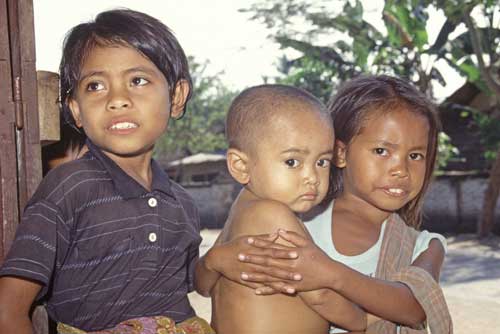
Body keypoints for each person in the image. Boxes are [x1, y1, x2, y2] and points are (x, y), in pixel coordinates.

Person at [0, 9, 214, 334]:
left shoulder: (181, 204)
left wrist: (222, 260)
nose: (117, 99)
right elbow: (8, 311)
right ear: (76, 110)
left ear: (177, 96)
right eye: (96, 86)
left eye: (138, 80)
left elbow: (196, 288)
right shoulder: (69, 188)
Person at [203, 76, 453, 333]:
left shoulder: (425, 245)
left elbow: (414, 307)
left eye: (415, 156)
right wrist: (214, 260)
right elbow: (204, 282)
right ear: (341, 154)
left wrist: (329, 272)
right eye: (381, 151)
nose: (401, 169)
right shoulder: (294, 214)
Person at [195, 84, 367, 333]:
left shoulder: (241, 212)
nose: (312, 176)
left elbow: (203, 285)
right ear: (241, 166)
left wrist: (212, 261)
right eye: (292, 162)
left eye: (322, 162)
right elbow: (320, 294)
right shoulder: (273, 215)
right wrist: (361, 321)